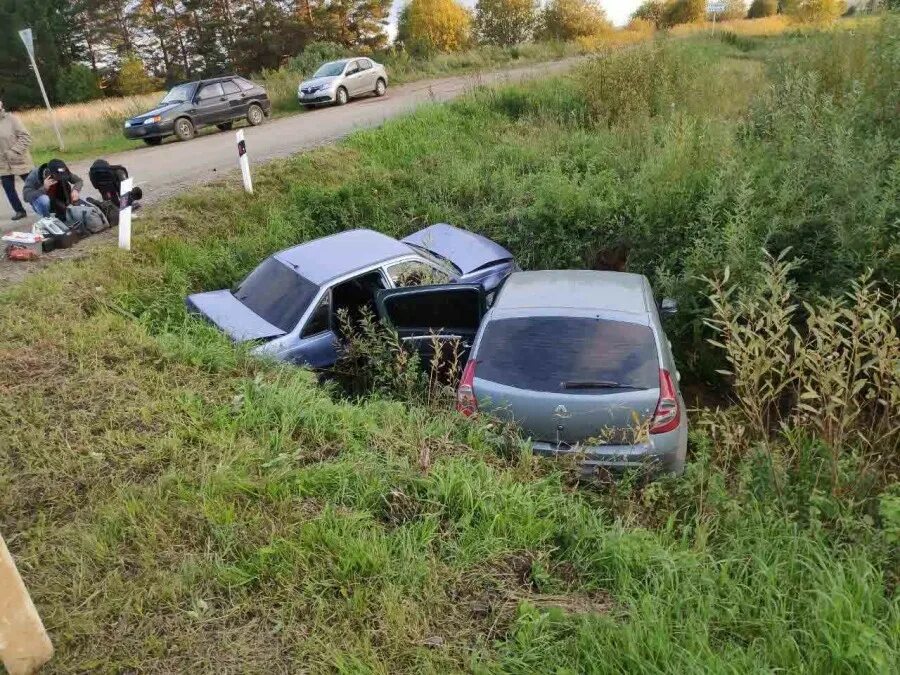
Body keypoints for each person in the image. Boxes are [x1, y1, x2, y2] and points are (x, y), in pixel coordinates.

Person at [0, 98, 34, 221]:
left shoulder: (12, 119)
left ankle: (44, 205)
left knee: (32, 185)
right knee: (8, 188)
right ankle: (19, 211)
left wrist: (14, 151)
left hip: (19, 159)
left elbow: (26, 137)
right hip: (3, 163)